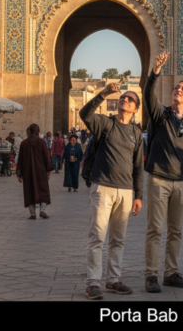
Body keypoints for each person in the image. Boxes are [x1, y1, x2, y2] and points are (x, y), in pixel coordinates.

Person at [142, 50, 183, 293]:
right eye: (177, 87)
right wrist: (155, 71)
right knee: (155, 229)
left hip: (182, 182)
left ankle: (171, 272)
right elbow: (148, 96)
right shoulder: (160, 115)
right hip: (159, 179)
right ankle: (151, 275)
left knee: (175, 231)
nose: (178, 90)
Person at [80, 81, 145, 300]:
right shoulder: (105, 124)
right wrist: (103, 93)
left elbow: (138, 167)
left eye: (130, 99)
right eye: (122, 97)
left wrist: (138, 196)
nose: (124, 99)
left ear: (136, 108)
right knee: (97, 236)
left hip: (125, 192)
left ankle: (113, 279)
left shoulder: (136, 133)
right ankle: (93, 282)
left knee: (118, 239)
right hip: (103, 187)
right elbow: (84, 113)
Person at [17, 123, 52, 219]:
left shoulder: (24, 143)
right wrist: (48, 171)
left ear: (29, 132)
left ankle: (33, 213)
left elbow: (20, 159)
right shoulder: (42, 142)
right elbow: (47, 158)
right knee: (43, 189)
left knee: (29, 190)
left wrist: (19, 173)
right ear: (38, 132)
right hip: (41, 171)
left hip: (27, 171)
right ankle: (42, 210)